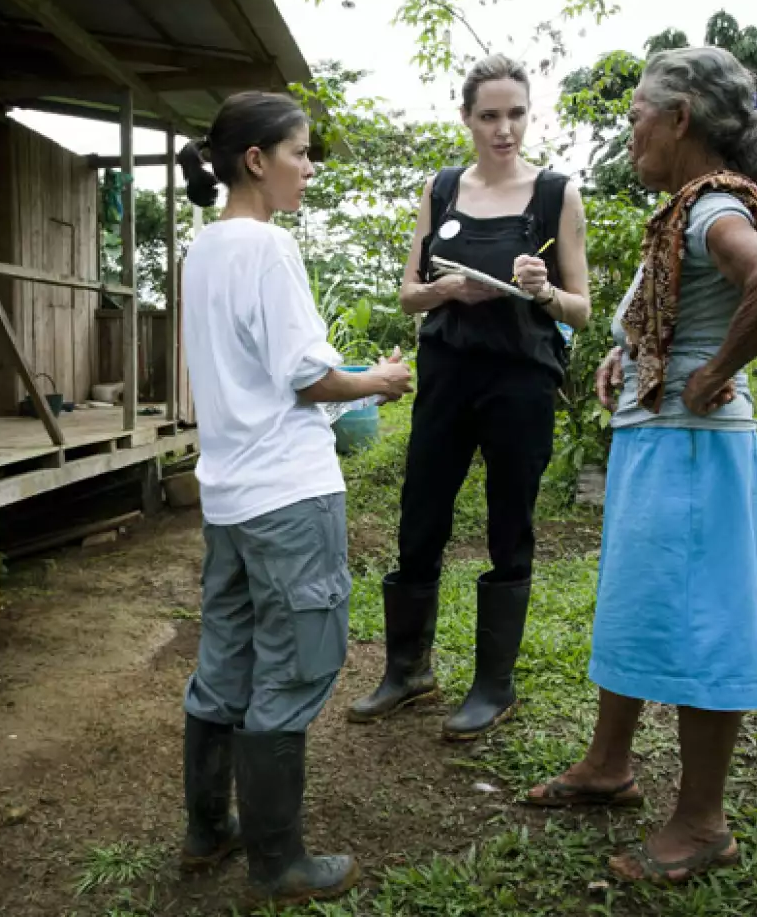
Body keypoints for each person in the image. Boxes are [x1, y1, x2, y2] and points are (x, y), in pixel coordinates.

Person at [525, 47, 757, 884]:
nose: (630, 137)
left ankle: (702, 821)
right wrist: (633, 355)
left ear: (680, 118)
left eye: (636, 118)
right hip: (663, 447)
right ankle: (608, 763)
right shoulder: (691, 208)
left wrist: (715, 370)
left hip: (695, 453)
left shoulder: (712, 207)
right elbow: (674, 316)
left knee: (702, 624)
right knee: (638, 606)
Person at [174, 91, 413, 906]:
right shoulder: (270, 250)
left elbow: (250, 369)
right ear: (256, 160)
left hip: (229, 496)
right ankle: (278, 863)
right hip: (289, 495)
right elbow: (309, 378)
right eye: (300, 152)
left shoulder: (199, 251)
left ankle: (209, 829)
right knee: (298, 659)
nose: (308, 167)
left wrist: (346, 385)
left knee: (226, 659)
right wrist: (379, 380)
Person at [347, 54, 591, 739]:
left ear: (528, 114)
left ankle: (494, 684)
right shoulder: (443, 187)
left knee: (509, 521)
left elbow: (582, 309)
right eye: (489, 116)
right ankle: (408, 670)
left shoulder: (555, 194)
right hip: (447, 371)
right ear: (467, 118)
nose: (503, 129)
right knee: (420, 511)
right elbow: (407, 292)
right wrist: (444, 289)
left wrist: (543, 291)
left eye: (515, 114)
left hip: (521, 377)